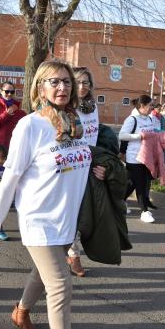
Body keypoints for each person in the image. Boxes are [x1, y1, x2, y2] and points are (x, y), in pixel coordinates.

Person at [0, 60, 105, 329]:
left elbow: (79, 158)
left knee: (44, 272)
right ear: (40, 87)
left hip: (66, 218)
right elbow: (10, 175)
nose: (61, 87)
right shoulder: (31, 125)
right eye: (53, 81)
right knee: (61, 283)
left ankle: (21, 312)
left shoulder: (76, 123)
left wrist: (97, 166)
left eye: (66, 81)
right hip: (38, 219)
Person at [66, 66, 98, 277]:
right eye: (78, 82)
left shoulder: (93, 106)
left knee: (84, 212)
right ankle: (73, 254)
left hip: (90, 162)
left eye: (86, 82)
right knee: (73, 212)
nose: (83, 86)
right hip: (71, 165)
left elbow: (95, 132)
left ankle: (70, 249)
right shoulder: (67, 108)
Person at [119, 95, 156, 223]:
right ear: (142, 106)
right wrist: (139, 136)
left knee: (132, 183)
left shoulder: (150, 120)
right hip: (133, 157)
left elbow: (152, 136)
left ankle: (118, 202)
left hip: (146, 157)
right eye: (150, 105)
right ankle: (144, 211)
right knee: (141, 183)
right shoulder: (132, 119)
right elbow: (122, 136)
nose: (152, 107)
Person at [0, 80, 26, 149]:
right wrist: (6, 114)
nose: (9, 94)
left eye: (12, 92)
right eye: (7, 91)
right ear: (1, 91)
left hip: (12, 145)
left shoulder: (16, 107)